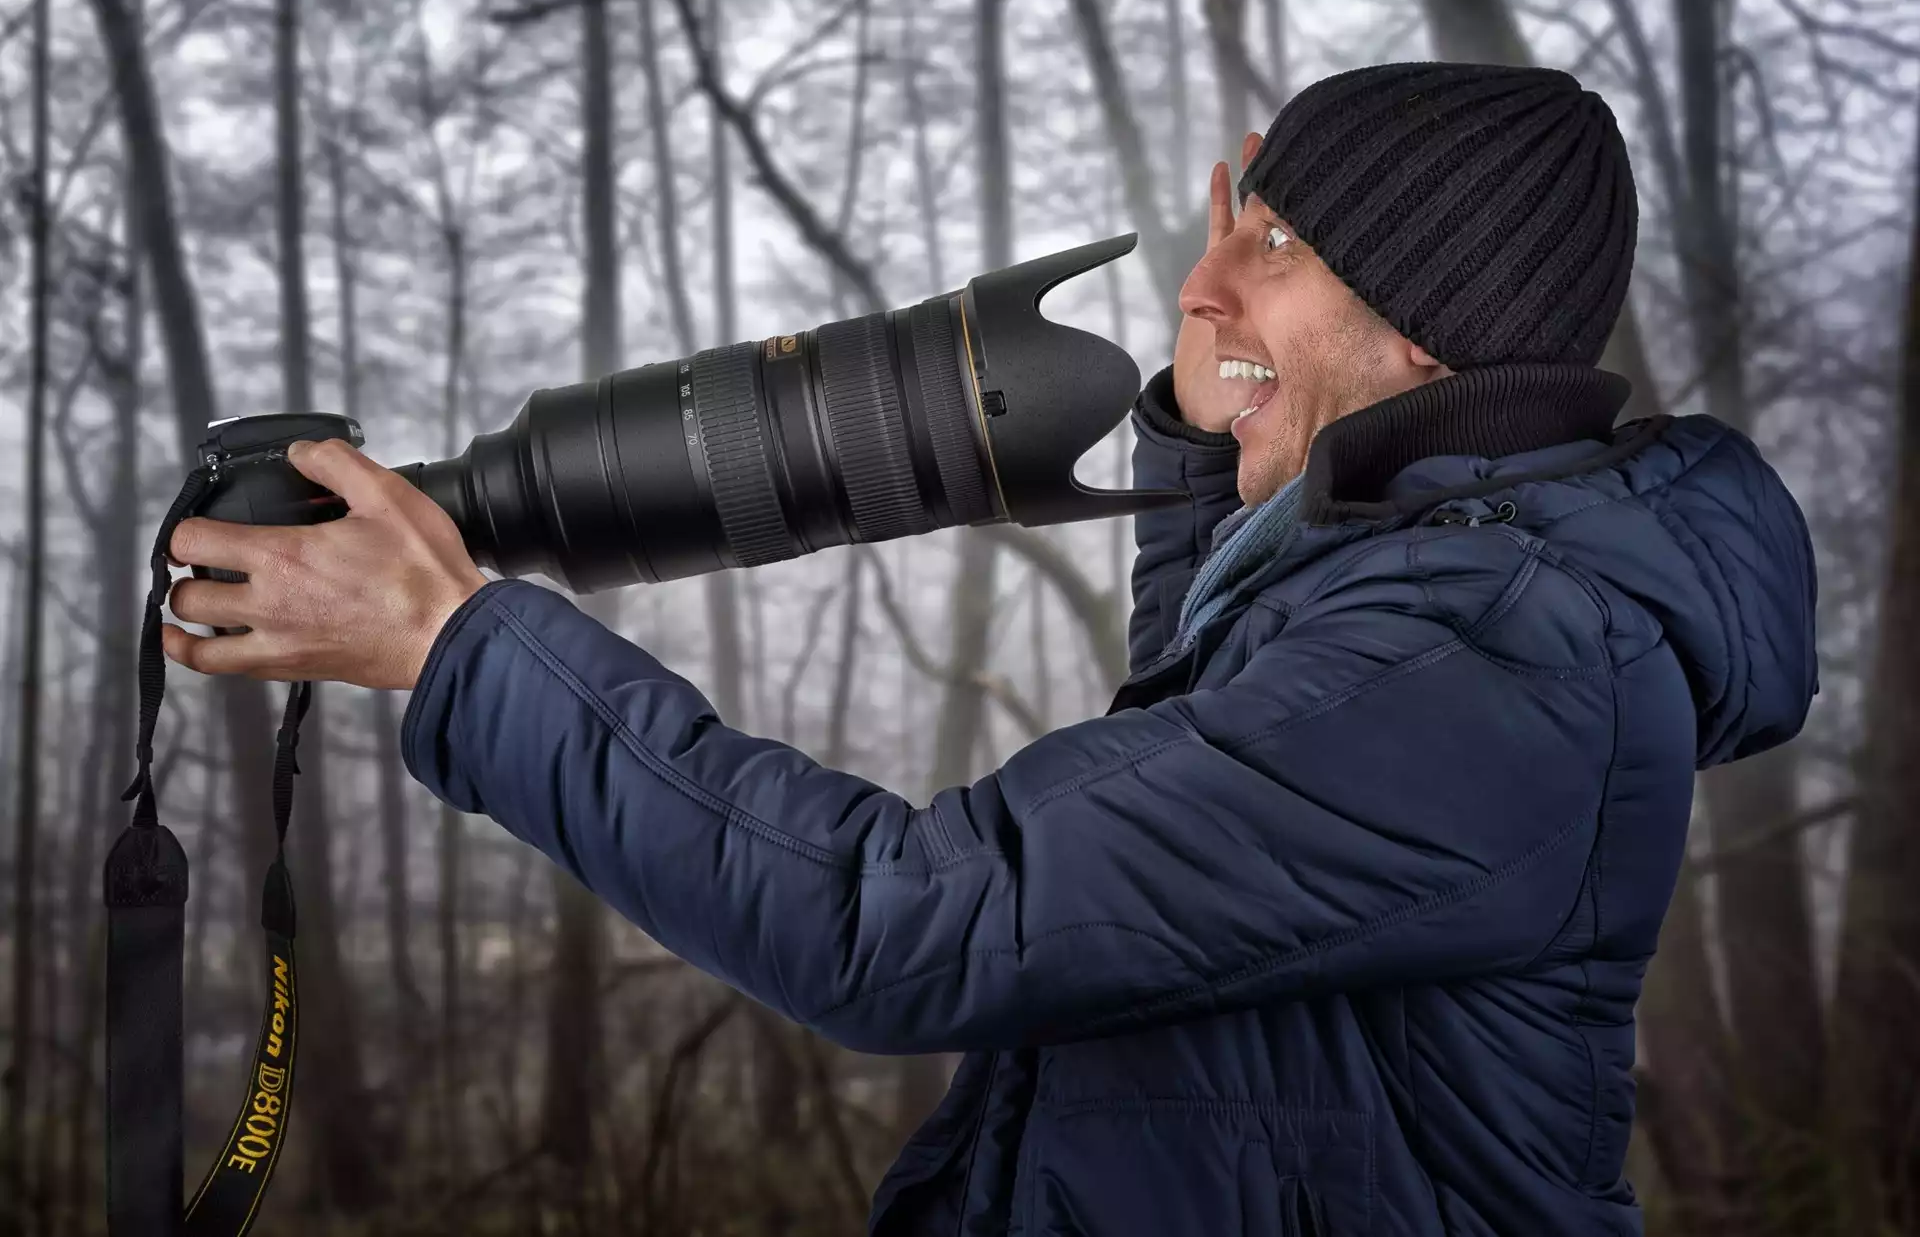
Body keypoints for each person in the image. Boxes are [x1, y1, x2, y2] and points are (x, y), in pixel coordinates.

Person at [162, 62, 1818, 1235]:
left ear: (1429, 332)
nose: (1203, 280)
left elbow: (912, 926)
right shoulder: (1438, 600)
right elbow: (1211, 765)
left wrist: (451, 648)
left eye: (1278, 245)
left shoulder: (1494, 666)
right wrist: (1213, 432)